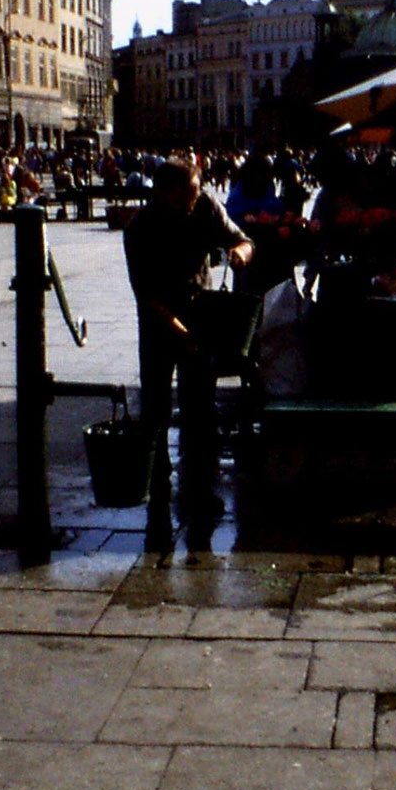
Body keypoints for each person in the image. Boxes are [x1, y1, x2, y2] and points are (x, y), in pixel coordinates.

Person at [124, 159, 254, 531]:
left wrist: (242, 252)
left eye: (197, 196)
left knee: (199, 407)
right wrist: (178, 331)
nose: (192, 205)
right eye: (186, 198)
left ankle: (199, 485)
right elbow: (146, 295)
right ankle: (157, 478)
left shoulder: (207, 207)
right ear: (163, 193)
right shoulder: (139, 229)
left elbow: (242, 239)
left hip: (201, 311)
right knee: (156, 404)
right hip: (158, 322)